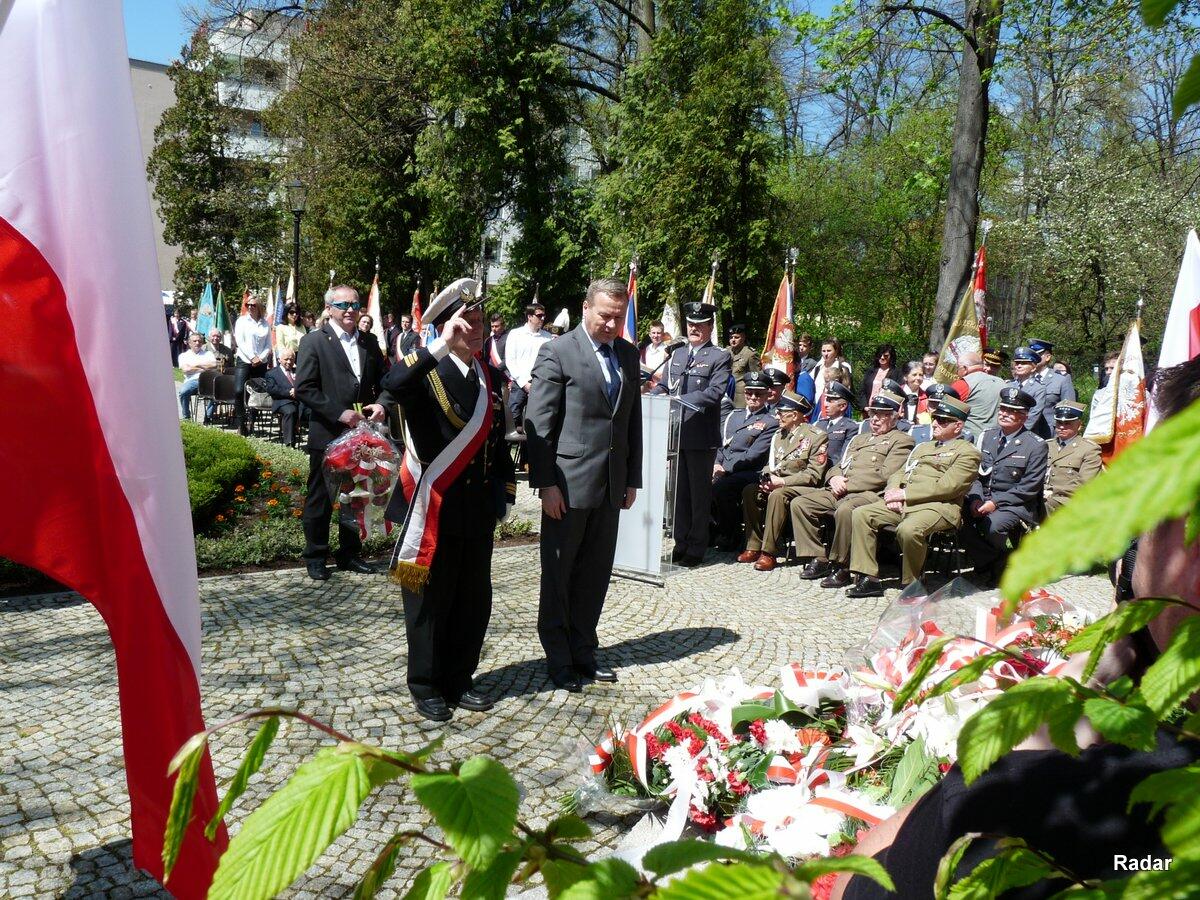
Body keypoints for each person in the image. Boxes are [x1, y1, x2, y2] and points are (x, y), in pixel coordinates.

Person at [836, 357, 1200, 900]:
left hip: (1012, 509)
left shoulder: (1057, 803)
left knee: (974, 526)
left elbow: (858, 881)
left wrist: (1050, 716)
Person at [380, 278, 515, 722]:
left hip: (476, 509)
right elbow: (393, 383)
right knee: (428, 601)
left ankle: (460, 677)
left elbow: (498, 439)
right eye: (465, 321)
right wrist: (437, 346)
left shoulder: (490, 376)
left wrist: (504, 492)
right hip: (433, 506)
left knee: (472, 599)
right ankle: (425, 683)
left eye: (480, 321)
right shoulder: (427, 373)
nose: (476, 330)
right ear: (445, 326)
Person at [525, 278, 642, 693]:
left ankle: (584, 652)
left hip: (610, 485)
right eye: (605, 316)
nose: (611, 324)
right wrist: (546, 485)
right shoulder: (557, 351)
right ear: (586, 308)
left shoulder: (627, 354)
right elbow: (538, 422)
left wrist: (632, 477)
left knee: (594, 575)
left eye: (617, 318)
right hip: (567, 485)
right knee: (559, 575)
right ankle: (559, 659)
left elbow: (631, 419)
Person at [294, 285, 392, 581]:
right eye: (343, 305)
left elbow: (386, 381)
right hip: (328, 432)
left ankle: (349, 553)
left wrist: (382, 404)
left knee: (355, 495)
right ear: (329, 309)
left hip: (362, 434)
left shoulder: (369, 342)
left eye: (355, 305)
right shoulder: (313, 341)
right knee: (321, 497)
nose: (350, 310)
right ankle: (316, 555)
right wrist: (339, 412)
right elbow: (305, 388)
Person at [845, 396, 981, 597]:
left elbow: (948, 486)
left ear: (958, 426)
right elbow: (900, 472)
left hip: (939, 507)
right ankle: (869, 578)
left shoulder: (967, 452)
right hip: (905, 503)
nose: (935, 423)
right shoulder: (924, 447)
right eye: (935, 418)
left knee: (908, 529)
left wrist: (905, 494)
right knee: (862, 514)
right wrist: (893, 493)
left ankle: (913, 583)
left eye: (943, 420)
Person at [794, 391, 915, 586]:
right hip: (841, 489)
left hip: (870, 494)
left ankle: (842, 565)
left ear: (894, 417)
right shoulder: (860, 439)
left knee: (845, 510)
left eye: (882, 415)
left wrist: (847, 485)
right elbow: (840, 465)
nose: (875, 419)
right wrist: (834, 478)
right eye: (873, 413)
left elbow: (885, 475)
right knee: (801, 503)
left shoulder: (901, 440)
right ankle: (818, 557)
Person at [651, 302, 732, 566]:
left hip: (700, 436)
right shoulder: (677, 354)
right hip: (676, 435)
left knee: (698, 495)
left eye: (700, 325)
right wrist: (653, 395)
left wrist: (679, 400)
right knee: (678, 495)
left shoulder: (719, 356)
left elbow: (715, 392)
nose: (694, 329)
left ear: (710, 326)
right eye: (690, 324)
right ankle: (680, 542)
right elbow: (665, 386)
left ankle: (696, 547)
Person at [960, 387, 1048, 583]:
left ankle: (993, 564)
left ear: (1024, 417)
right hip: (982, 498)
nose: (1005, 414)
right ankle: (994, 559)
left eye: (1012, 411)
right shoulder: (987, 436)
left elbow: (1029, 486)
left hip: (1015, 503)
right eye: (1003, 409)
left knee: (993, 526)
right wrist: (975, 499)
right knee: (954, 516)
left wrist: (995, 503)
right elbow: (976, 475)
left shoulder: (1035, 445)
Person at [738, 391, 827, 572]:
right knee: (750, 490)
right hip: (778, 483)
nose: (777, 416)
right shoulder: (779, 435)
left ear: (794, 415)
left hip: (803, 488)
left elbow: (813, 475)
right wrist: (766, 478)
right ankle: (753, 544)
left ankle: (769, 552)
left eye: (781, 413)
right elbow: (770, 465)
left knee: (778, 495)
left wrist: (782, 482)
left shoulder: (816, 436)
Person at [711, 370, 778, 551]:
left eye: (758, 394)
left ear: (767, 395)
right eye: (749, 392)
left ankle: (730, 534)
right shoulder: (734, 416)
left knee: (722, 487)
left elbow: (754, 455)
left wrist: (725, 469)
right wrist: (716, 464)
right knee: (699, 482)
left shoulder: (770, 421)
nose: (753, 397)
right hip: (724, 467)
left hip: (750, 471)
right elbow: (721, 444)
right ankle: (709, 530)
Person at [1043, 400, 1103, 514]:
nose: (1062, 427)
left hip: (1067, 500)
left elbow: (1084, 484)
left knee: (1041, 507)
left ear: (1079, 426)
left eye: (1067, 424)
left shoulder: (1089, 449)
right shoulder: (1045, 445)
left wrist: (1051, 491)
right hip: (1041, 495)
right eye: (1059, 423)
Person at [505, 303, 553, 430]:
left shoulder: (548, 337)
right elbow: (510, 361)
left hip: (541, 384)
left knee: (540, 420)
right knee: (512, 418)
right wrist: (524, 383)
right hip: (520, 384)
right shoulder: (515, 334)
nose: (543, 318)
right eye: (539, 315)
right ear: (529, 317)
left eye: (544, 315)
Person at [232, 294, 273, 435]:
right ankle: (240, 422)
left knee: (257, 393)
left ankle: (251, 422)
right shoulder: (241, 321)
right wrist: (252, 357)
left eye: (253, 305)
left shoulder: (265, 323)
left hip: (260, 362)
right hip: (244, 359)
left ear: (259, 306)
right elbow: (240, 341)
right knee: (239, 390)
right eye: (247, 304)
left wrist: (260, 358)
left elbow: (268, 344)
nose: (250, 307)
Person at [950, 350, 1004, 438]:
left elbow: (946, 412)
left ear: (964, 369)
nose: (957, 372)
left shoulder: (963, 384)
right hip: (995, 439)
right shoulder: (1003, 384)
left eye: (958, 368)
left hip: (968, 439)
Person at [1028, 338, 1077, 436]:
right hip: (1027, 432)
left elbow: (1069, 410)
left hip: (1051, 433)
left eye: (1037, 355)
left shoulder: (1061, 379)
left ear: (1048, 357)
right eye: (1031, 355)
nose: (1033, 358)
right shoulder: (1025, 378)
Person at [263, 347, 310, 447]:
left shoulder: (299, 371)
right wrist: (290, 392)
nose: (289, 362)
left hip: (301, 402)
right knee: (290, 411)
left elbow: (306, 384)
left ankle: (315, 443)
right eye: (286, 359)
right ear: (279, 359)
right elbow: (272, 389)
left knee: (314, 411)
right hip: (283, 402)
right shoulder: (271, 373)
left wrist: (299, 391)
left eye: (292, 359)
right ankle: (289, 444)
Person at [1005, 346, 1049, 438]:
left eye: (1024, 363)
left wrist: (1016, 433)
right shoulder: (1008, 385)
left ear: (1033, 368)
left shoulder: (1039, 388)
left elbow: (1034, 415)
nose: (1019, 366)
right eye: (1017, 363)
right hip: (1005, 430)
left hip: (1025, 434)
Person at [176, 332, 218, 420]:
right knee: (183, 391)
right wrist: (204, 367)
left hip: (208, 380)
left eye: (199, 341)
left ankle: (208, 417)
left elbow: (214, 365)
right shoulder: (183, 356)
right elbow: (186, 370)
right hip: (192, 381)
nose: (197, 343)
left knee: (218, 390)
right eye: (194, 341)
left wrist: (195, 365)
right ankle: (186, 417)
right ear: (189, 343)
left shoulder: (208, 354)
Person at [816, 381, 859, 465]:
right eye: (826, 400)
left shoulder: (851, 427)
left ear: (843, 406)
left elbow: (844, 459)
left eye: (830, 401)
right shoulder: (819, 424)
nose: (825, 404)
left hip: (833, 469)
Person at [726, 324, 761, 409]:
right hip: (725, 394)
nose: (733, 340)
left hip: (740, 398)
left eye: (736, 337)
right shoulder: (725, 352)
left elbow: (756, 377)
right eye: (731, 337)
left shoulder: (750, 354)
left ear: (743, 337)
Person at [813, 338, 853, 407]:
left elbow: (847, 391)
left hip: (835, 407)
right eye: (823, 351)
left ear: (836, 351)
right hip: (818, 406)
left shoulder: (842, 368)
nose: (826, 354)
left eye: (829, 351)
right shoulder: (818, 368)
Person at [640, 320, 672, 391]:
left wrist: (648, 372)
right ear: (649, 334)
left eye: (658, 333)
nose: (655, 336)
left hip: (661, 387)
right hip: (646, 385)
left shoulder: (667, 351)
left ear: (663, 335)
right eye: (653, 333)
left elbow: (663, 376)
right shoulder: (646, 350)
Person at [900, 360, 929, 425]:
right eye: (914, 375)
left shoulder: (926, 397)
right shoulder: (896, 393)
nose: (918, 378)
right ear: (905, 377)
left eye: (921, 375)